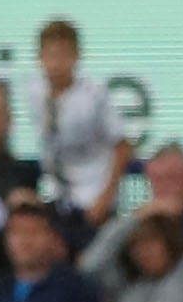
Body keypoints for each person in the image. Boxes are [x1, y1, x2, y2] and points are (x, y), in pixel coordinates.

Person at [32, 17, 128, 222]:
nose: (56, 64)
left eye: (63, 55)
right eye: (51, 55)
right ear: (39, 57)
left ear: (76, 56)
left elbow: (123, 146)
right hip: (56, 198)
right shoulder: (35, 93)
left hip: (93, 200)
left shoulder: (94, 96)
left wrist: (105, 198)